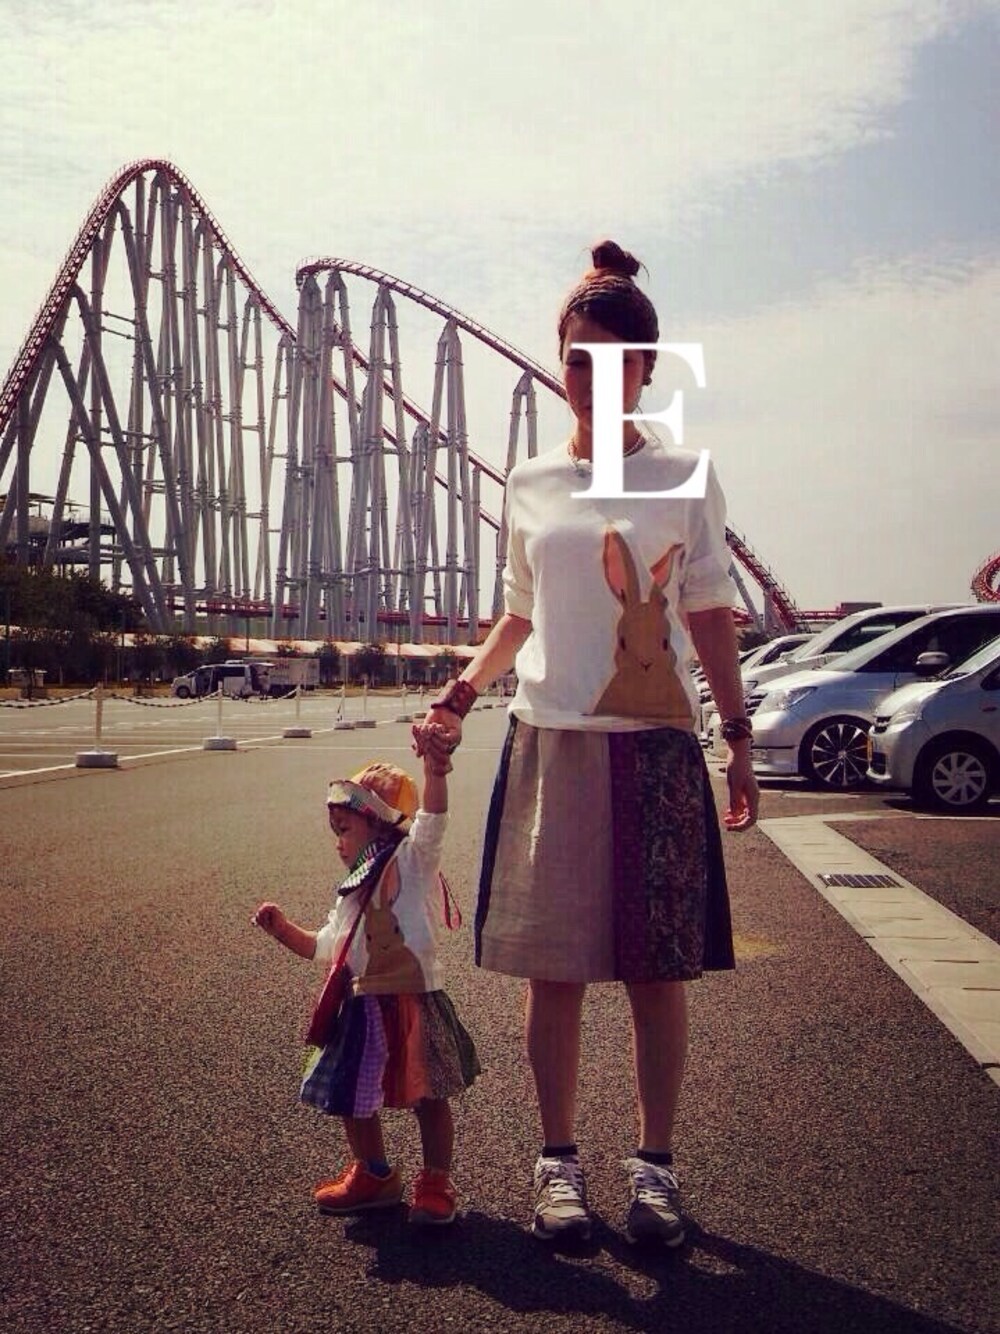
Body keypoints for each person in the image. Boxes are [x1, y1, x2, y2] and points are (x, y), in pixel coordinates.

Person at [413, 239, 758, 1248]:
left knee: (657, 972)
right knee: (552, 970)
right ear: (557, 360)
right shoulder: (529, 480)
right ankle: (556, 1163)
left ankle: (655, 1169)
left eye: (613, 360)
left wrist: (736, 737)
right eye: (574, 357)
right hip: (550, 739)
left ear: (646, 368)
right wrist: (460, 693)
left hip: (656, 747)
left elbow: (709, 612)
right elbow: (517, 614)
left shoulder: (686, 476)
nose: (590, 376)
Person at [252, 747, 480, 1226]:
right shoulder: (352, 890)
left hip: (414, 998)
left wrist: (434, 772)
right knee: (350, 1094)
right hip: (361, 1007)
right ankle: (374, 1174)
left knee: (429, 1095)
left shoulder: (412, 862)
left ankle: (436, 1181)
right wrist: (283, 930)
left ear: (379, 825)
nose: (337, 843)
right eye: (335, 832)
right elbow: (324, 946)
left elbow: (433, 822)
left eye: (344, 830)